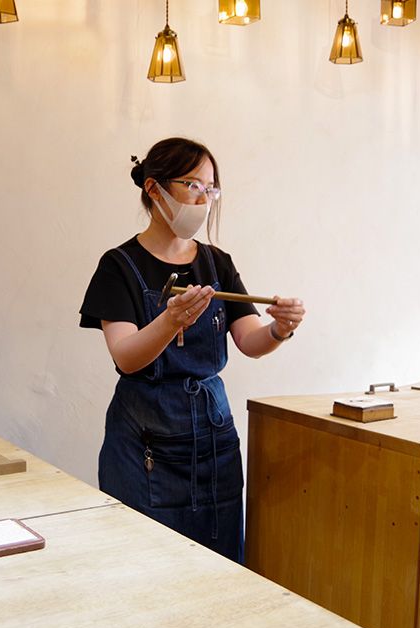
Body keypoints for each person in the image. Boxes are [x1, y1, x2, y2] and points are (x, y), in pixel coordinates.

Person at [79, 137, 305, 563]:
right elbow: (126, 356)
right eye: (192, 185)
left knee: (220, 566)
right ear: (154, 189)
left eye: (210, 188)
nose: (203, 198)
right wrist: (170, 321)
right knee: (143, 564)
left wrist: (279, 328)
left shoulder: (217, 262)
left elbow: (249, 341)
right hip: (144, 438)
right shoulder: (119, 265)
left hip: (213, 436)